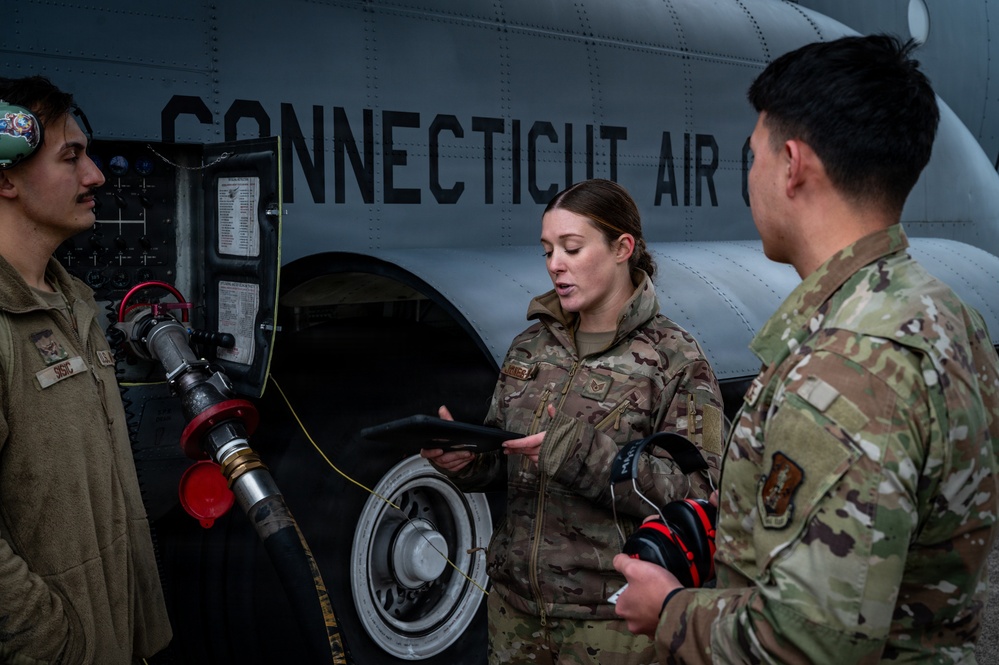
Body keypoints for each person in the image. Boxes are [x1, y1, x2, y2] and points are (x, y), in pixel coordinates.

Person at [613, 34, 999, 663]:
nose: (751, 176)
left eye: (754, 156)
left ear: (793, 164)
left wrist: (668, 611)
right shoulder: (949, 316)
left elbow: (808, 642)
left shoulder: (843, 368)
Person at [422, 178, 726, 665]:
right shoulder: (530, 347)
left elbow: (699, 493)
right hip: (514, 613)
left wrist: (578, 453)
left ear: (622, 248)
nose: (554, 265)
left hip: (613, 626)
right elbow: (507, 458)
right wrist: (465, 461)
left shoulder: (677, 360)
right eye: (547, 251)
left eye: (572, 248)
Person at [0, 76, 172, 662]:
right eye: (70, 157)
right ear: (4, 178)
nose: (95, 175)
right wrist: (51, 641)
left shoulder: (72, 300)